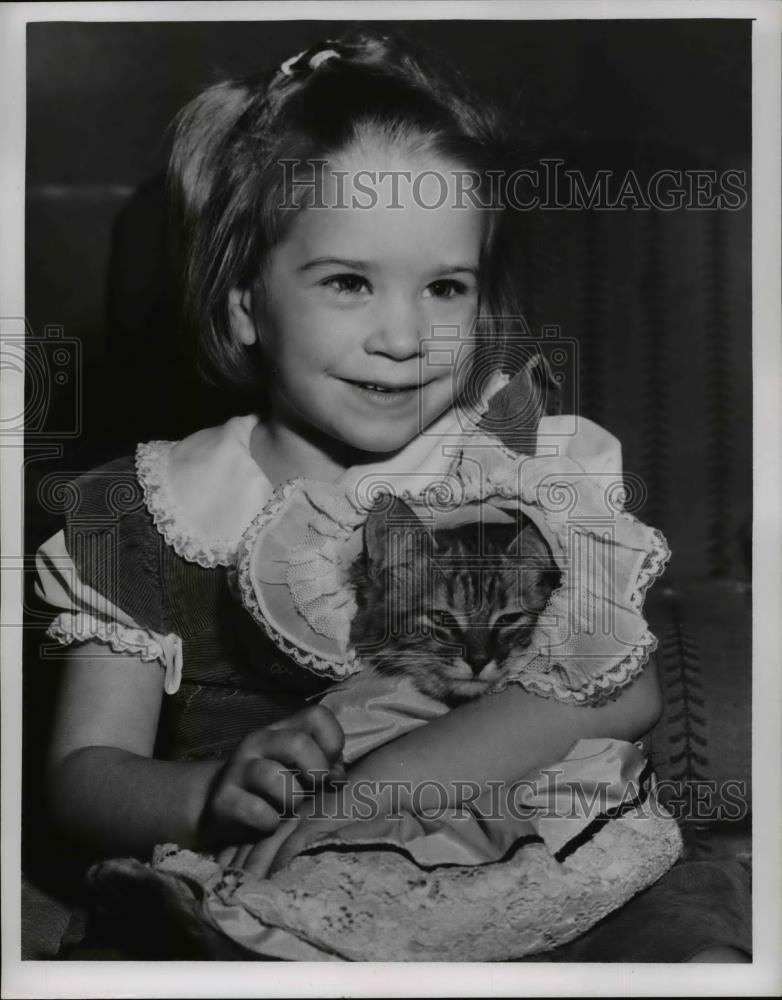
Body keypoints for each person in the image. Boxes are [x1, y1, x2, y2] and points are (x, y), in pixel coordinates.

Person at [35, 31, 750, 961]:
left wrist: (396, 777)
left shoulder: (510, 466)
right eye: (348, 282)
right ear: (244, 301)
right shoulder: (144, 512)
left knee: (688, 938)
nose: (406, 336)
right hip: (286, 887)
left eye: (446, 287)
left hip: (547, 857)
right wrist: (203, 794)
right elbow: (83, 776)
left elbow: (618, 692)